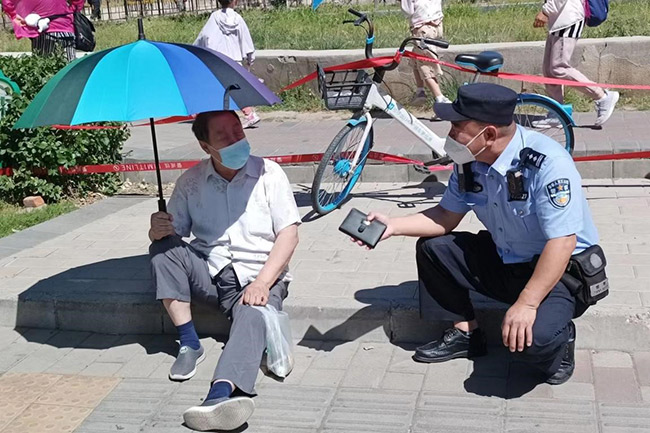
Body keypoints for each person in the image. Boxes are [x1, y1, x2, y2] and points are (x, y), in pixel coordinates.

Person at [355, 83, 601, 385]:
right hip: (507, 260)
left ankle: (561, 339)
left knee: (532, 342)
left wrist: (527, 304)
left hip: (557, 273)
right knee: (435, 248)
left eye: (458, 127)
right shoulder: (470, 162)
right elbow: (445, 217)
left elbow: (562, 242)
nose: (450, 134)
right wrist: (392, 225)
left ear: (489, 135)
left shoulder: (548, 163)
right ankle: (466, 333)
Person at [149, 110, 300, 431]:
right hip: (211, 274)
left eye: (237, 131)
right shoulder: (190, 182)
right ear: (205, 147)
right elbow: (174, 233)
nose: (235, 140)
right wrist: (156, 228)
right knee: (163, 249)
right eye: (223, 136)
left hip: (260, 275)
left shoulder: (269, 174)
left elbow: (289, 234)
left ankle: (220, 395)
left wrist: (263, 282)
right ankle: (189, 343)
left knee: (252, 312)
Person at [534, 0, 618, 127]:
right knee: (549, 70)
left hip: (568, 18)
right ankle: (557, 113)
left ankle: (602, 96)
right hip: (560, 18)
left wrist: (546, 11)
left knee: (558, 67)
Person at [194, 0, 261, 129]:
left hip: (218, 59)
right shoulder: (238, 19)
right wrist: (250, 57)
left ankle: (209, 115)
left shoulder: (214, 18)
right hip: (235, 60)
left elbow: (205, 36)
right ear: (235, 1)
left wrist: (197, 49)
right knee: (235, 89)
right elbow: (246, 39)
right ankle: (248, 113)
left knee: (216, 88)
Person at [400, 0, 451, 113]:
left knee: (425, 64)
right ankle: (420, 91)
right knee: (415, 57)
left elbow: (408, 11)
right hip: (436, 25)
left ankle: (440, 99)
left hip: (422, 30)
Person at [2, 0, 85, 62]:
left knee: (42, 67)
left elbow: (7, 2)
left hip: (44, 32)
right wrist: (72, 10)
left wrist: (14, 15)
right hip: (67, 29)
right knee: (70, 68)